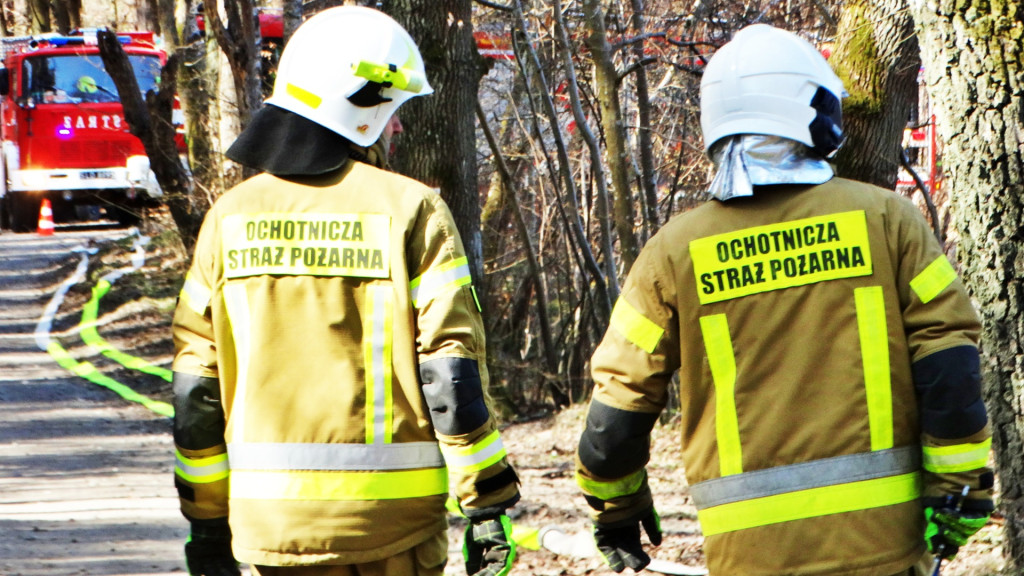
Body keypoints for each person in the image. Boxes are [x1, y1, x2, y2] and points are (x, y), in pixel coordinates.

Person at [574, 23, 993, 576]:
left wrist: (616, 508)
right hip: (883, 550)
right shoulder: (888, 220)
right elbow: (948, 360)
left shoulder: (673, 253)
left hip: (748, 557)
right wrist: (960, 489)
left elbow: (617, 409)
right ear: (810, 111)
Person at [171, 7, 520, 576]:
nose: (397, 128)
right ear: (356, 109)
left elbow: (195, 390)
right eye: (390, 112)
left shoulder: (227, 219)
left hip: (271, 534)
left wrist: (206, 522)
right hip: (392, 530)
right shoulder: (412, 210)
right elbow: (450, 374)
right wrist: (486, 503)